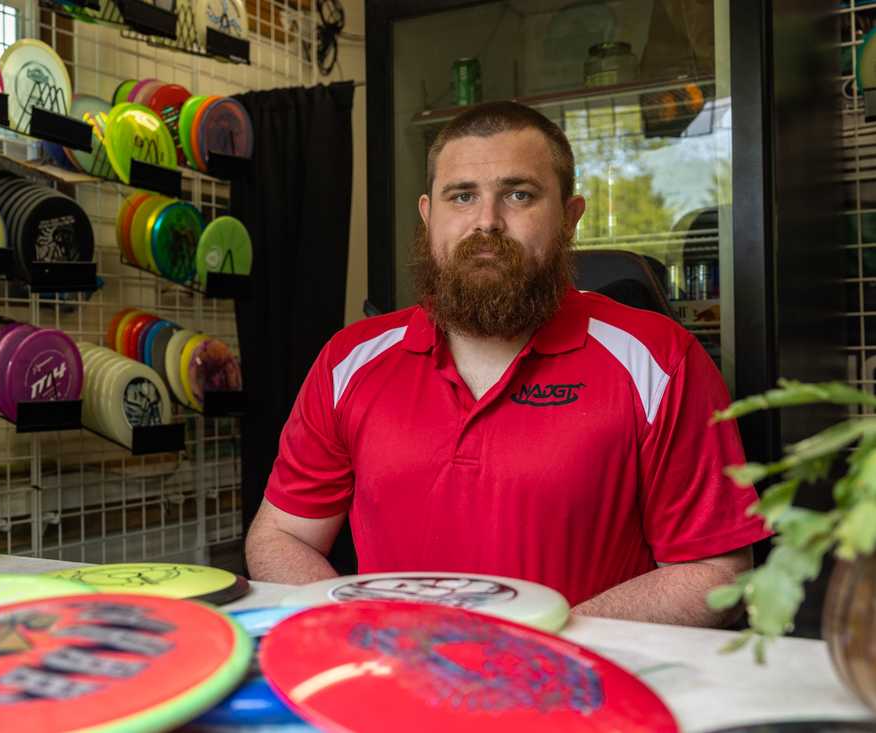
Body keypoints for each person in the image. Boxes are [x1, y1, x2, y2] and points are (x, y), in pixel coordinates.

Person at [244, 101, 771, 627]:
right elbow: (280, 536)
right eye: (462, 196)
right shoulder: (349, 361)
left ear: (569, 217)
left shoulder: (660, 360)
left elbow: (716, 571)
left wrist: (538, 646)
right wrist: (368, 630)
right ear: (429, 216)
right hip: (398, 681)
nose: (487, 222)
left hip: (582, 689)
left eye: (519, 195)